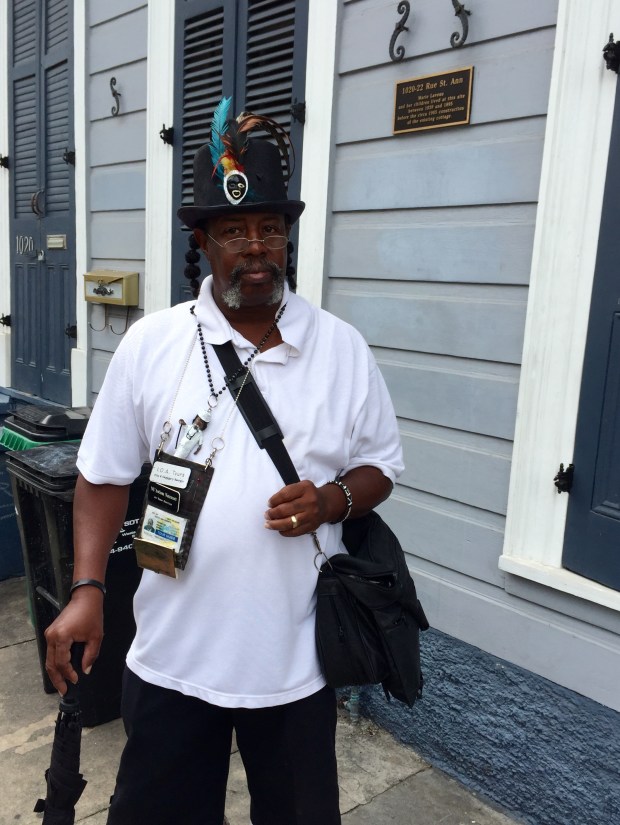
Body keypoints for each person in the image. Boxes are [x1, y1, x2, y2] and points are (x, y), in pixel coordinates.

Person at [44, 100, 404, 825]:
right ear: (203, 244)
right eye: (235, 230)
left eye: (270, 228)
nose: (256, 247)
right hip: (173, 659)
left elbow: (380, 467)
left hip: (297, 667)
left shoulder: (341, 348)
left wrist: (331, 499)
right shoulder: (152, 345)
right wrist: (86, 587)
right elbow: (103, 475)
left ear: (287, 238)